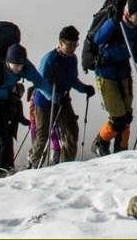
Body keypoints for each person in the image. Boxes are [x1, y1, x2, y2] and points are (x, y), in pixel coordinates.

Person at [91, 0, 137, 155]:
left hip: (124, 71)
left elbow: (135, 53)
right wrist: (112, 22)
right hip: (105, 72)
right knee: (118, 118)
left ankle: (121, 149)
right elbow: (97, 39)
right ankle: (100, 141)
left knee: (127, 116)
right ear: (128, 13)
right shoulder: (115, 24)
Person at [0, 43, 53, 174]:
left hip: (3, 101)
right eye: (15, 65)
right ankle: (1, 169)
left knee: (5, 135)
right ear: (7, 61)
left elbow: (39, 81)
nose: (18, 68)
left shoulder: (25, 66)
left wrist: (52, 97)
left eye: (21, 65)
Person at [28, 25, 95, 168]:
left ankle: (66, 166)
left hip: (62, 100)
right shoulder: (49, 59)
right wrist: (53, 96)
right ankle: (34, 164)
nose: (73, 48)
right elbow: (40, 83)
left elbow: (72, 80)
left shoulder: (72, 59)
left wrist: (84, 89)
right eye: (69, 45)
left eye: (75, 45)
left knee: (72, 131)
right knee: (43, 135)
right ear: (60, 43)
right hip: (44, 103)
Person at [26, 86, 60, 165]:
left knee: (45, 139)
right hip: (37, 123)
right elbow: (32, 111)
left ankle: (37, 161)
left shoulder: (35, 95)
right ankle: (34, 160)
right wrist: (33, 121)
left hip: (38, 122)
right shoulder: (36, 96)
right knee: (40, 140)